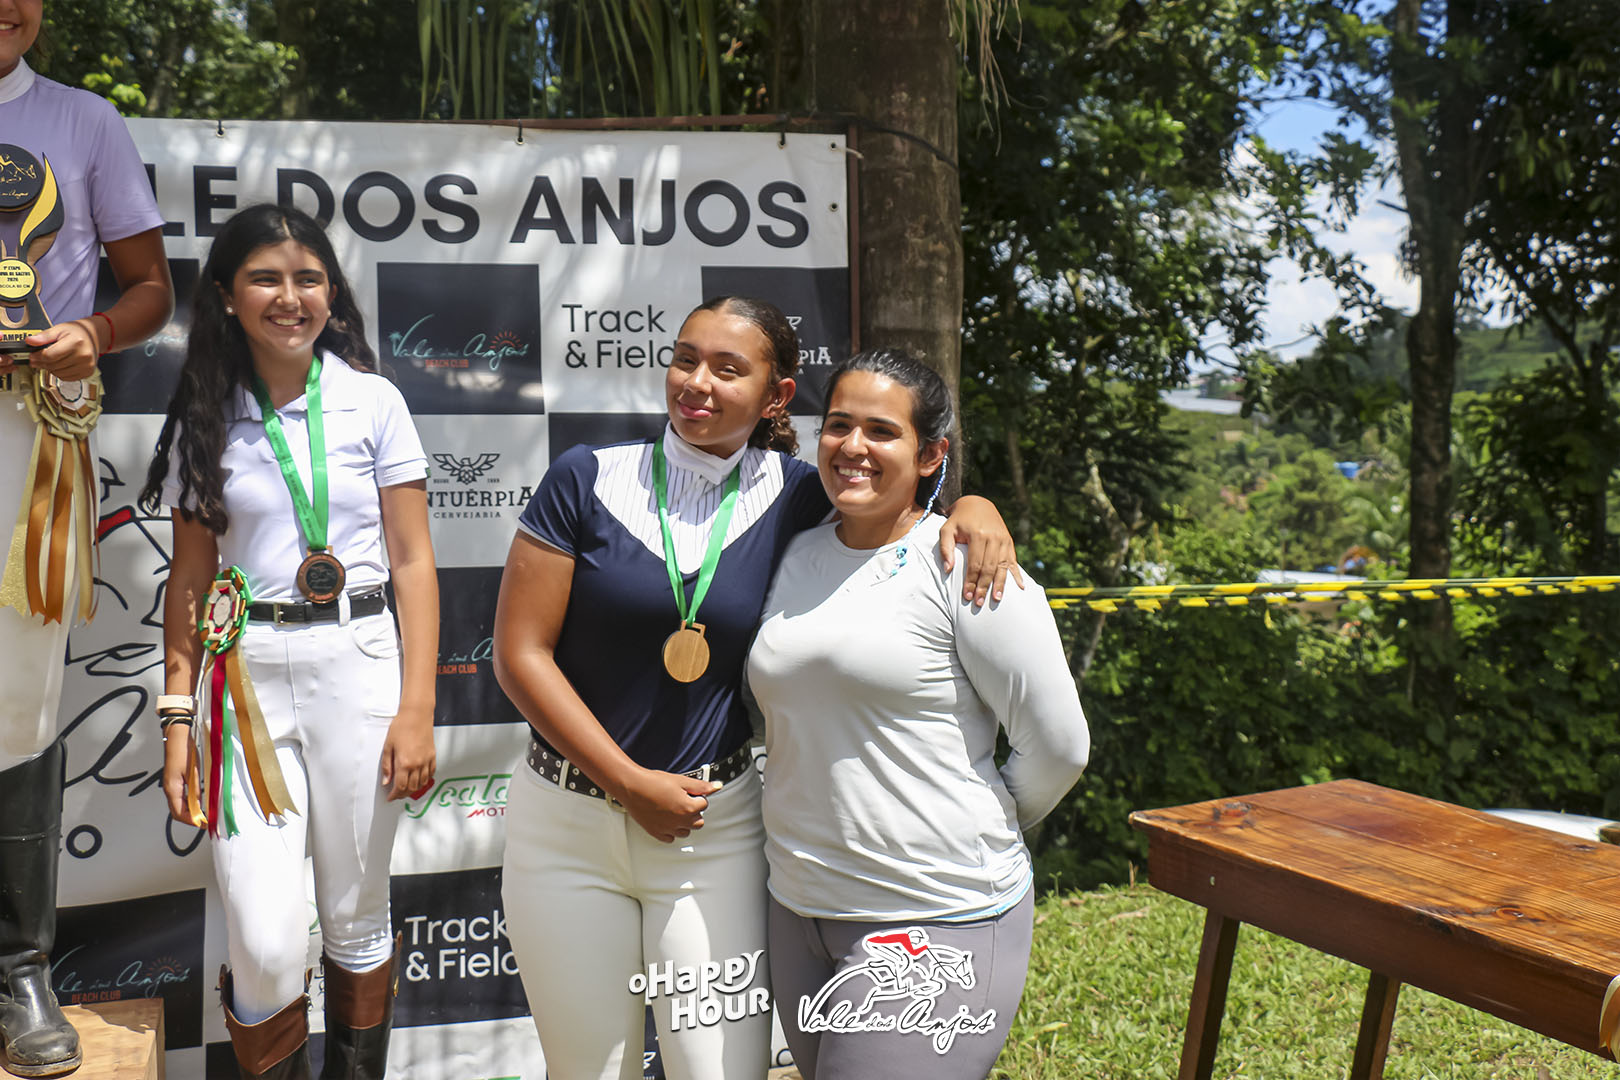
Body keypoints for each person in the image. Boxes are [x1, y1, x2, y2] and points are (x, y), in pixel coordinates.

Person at [493, 296, 1019, 1080]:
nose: (696, 382)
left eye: (727, 369)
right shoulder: (586, 478)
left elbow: (904, 506)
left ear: (776, 397)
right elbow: (518, 655)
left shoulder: (803, 493)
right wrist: (628, 782)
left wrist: (972, 505)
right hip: (563, 830)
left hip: (716, 834)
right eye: (685, 359)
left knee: (720, 1071)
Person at [137, 204, 437, 1080]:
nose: (290, 297)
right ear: (227, 296)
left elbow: (416, 564)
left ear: (332, 294)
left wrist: (418, 708)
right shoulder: (205, 410)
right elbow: (190, 583)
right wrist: (177, 718)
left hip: (362, 669)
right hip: (248, 687)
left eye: (308, 278)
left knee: (354, 915)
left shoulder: (373, 400)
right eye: (266, 277)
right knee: (265, 941)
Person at [747, 348, 1090, 1080]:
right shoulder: (795, 553)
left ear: (932, 454)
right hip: (800, 909)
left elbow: (1059, 747)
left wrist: (975, 824)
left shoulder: (967, 563)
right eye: (839, 425)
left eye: (882, 431)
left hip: (932, 915)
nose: (854, 448)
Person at [0, 2, 175, 1074]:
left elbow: (149, 286)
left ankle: (20, 967)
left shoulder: (83, 121)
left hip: (30, 432)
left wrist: (94, 333)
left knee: (20, 693)